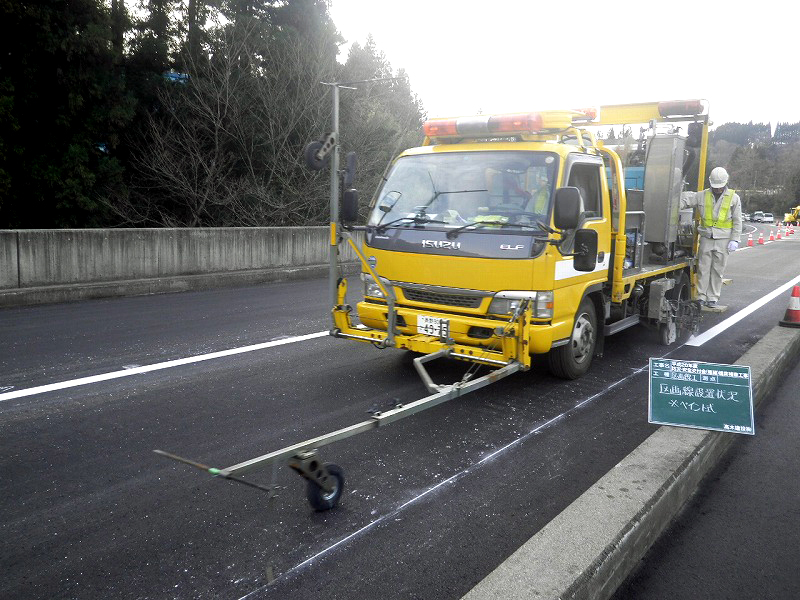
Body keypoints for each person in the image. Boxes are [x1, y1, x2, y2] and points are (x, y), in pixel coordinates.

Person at [680, 167, 742, 308]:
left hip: (723, 239)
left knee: (718, 269)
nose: (718, 190)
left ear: (725, 183)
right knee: (703, 268)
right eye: (715, 187)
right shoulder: (702, 195)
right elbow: (687, 199)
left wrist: (735, 239)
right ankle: (701, 296)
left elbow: (738, 221)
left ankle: (712, 297)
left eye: (720, 187)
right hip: (707, 237)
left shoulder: (734, 198)